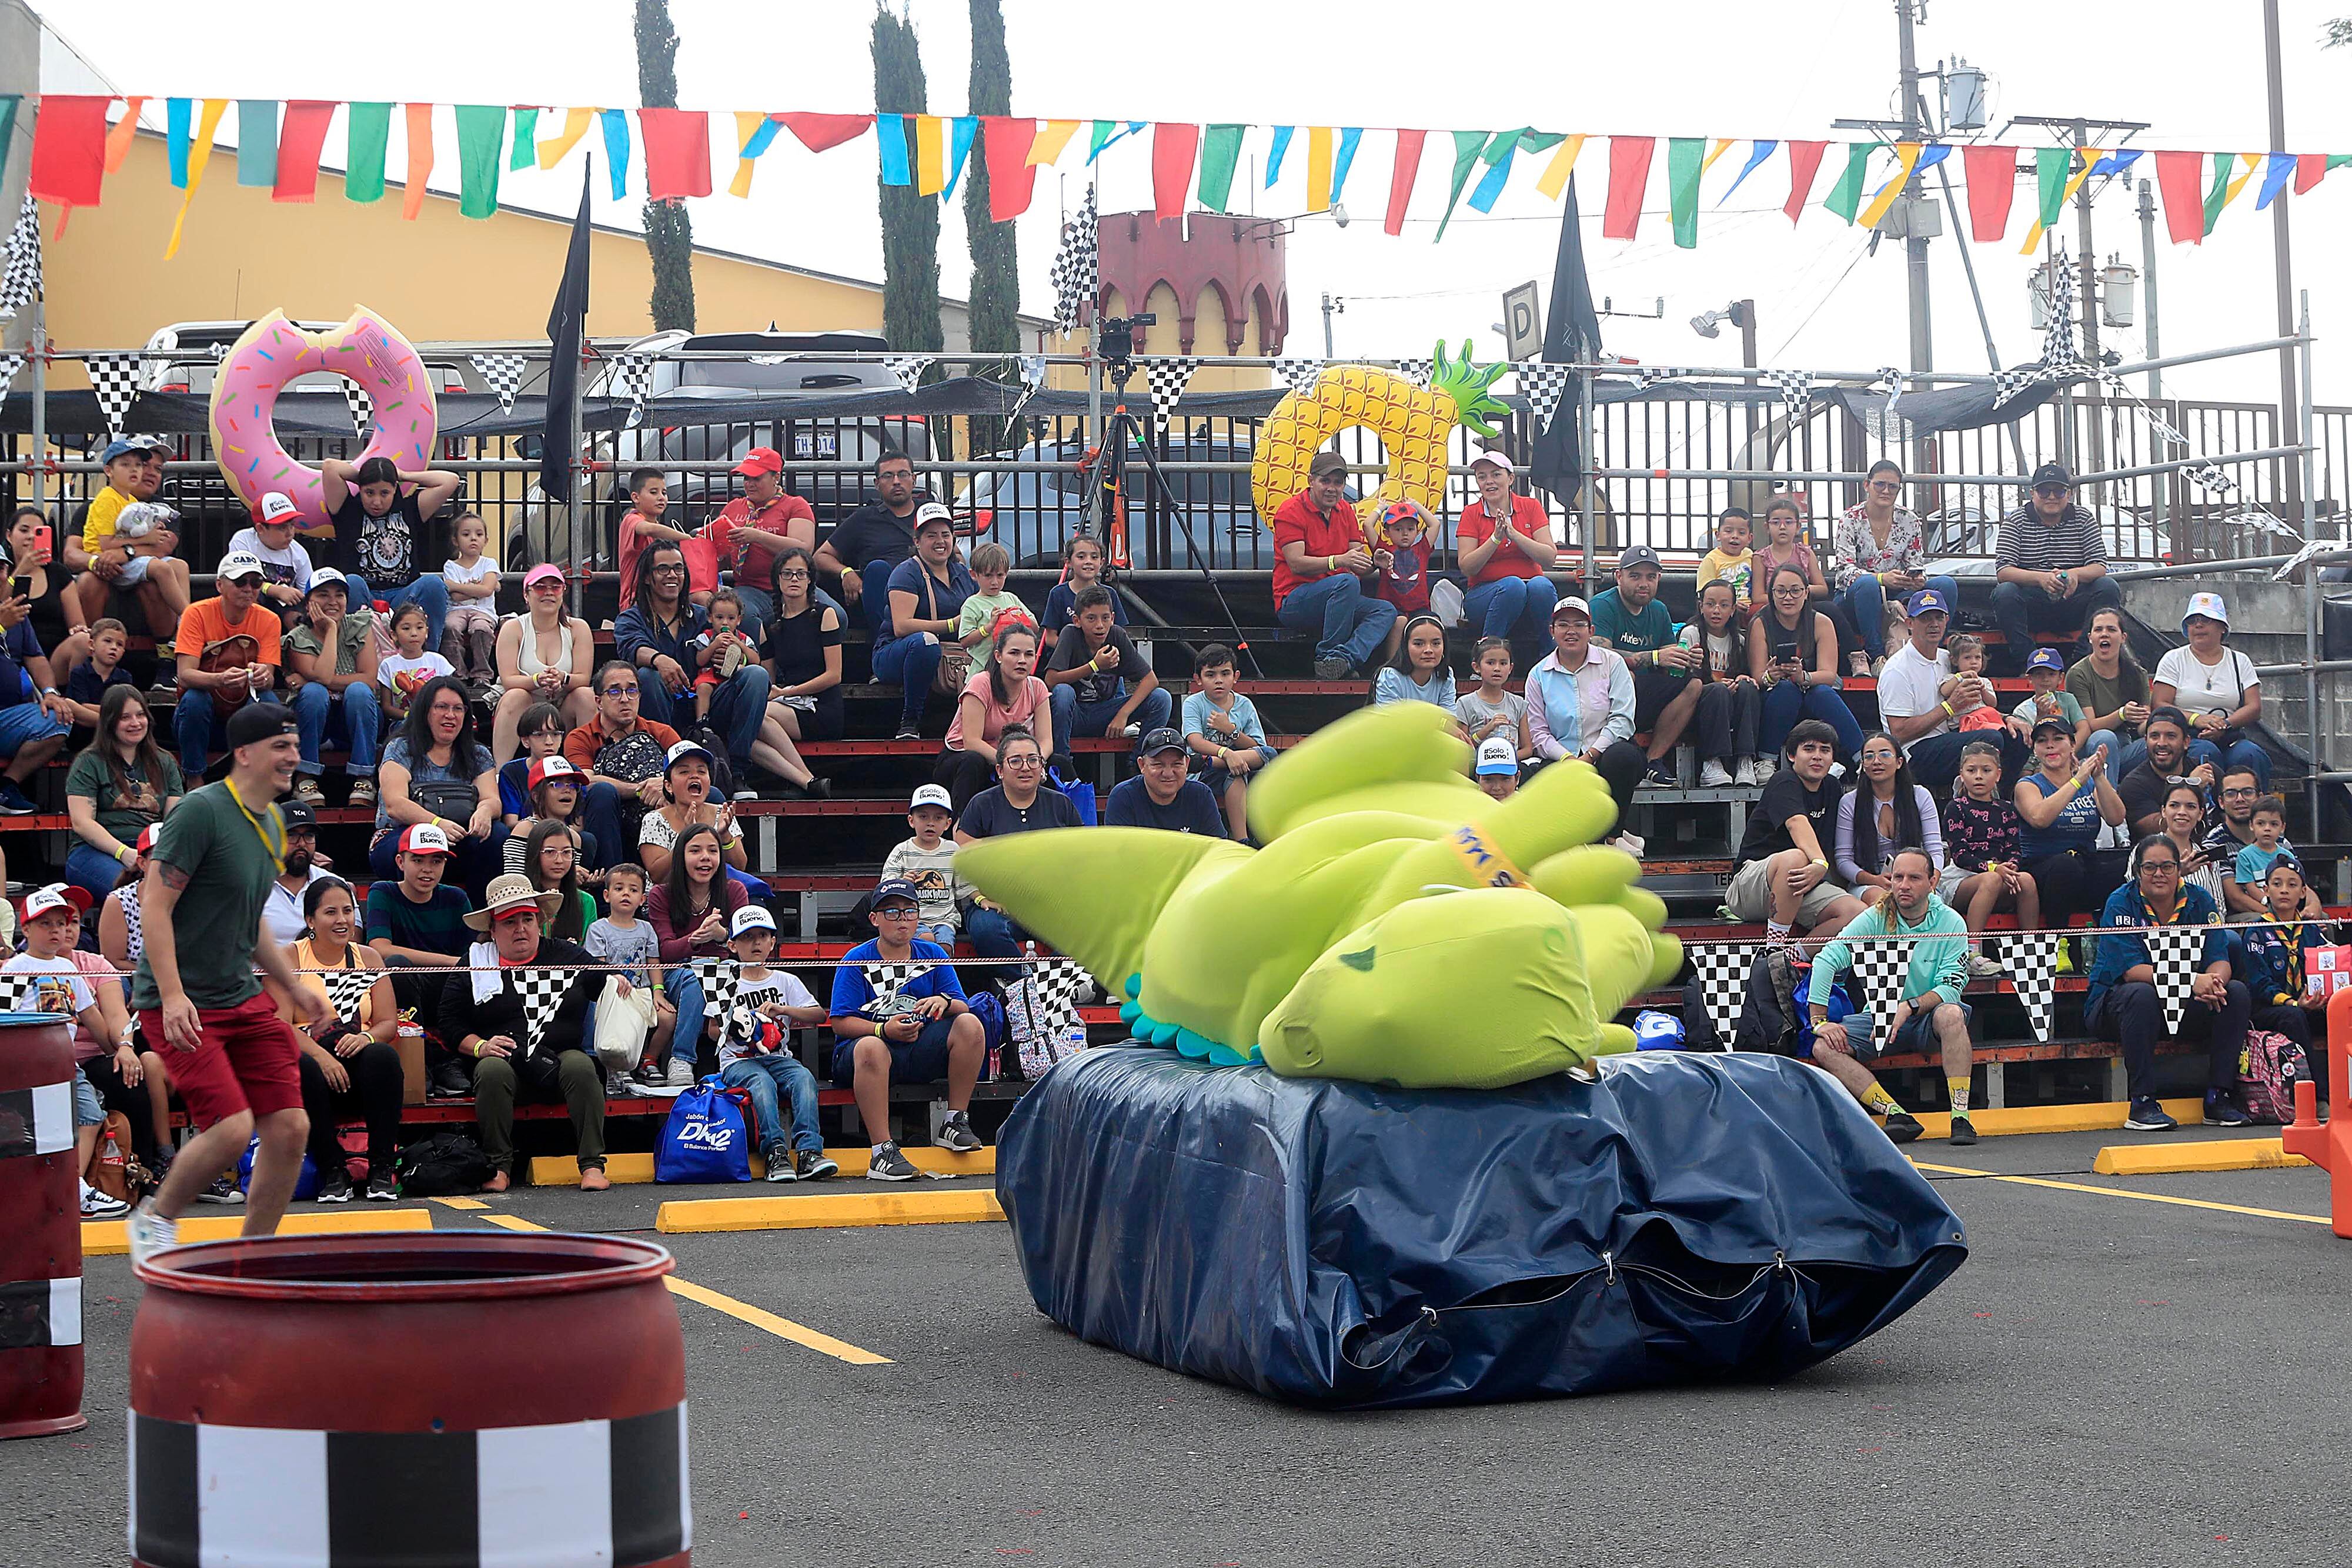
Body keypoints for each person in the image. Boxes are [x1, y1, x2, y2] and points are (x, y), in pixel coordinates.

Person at [121, 703, 332, 1265]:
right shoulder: (201, 811)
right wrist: (170, 993)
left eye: (294, 746)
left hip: (242, 996)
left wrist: (296, 985)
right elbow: (155, 904)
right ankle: (154, 1219)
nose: (293, 756)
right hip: (183, 1003)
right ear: (244, 753)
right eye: (281, 746)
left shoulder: (271, 823)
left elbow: (252, 920)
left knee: (290, 1127)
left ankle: (253, 1257)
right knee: (233, 1128)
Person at [442, 875, 607, 1191]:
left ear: (540, 922)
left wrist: (618, 982)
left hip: (559, 1059)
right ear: (492, 930)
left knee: (582, 1066)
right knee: (490, 1070)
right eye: (509, 922)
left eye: (527, 919)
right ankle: (499, 1167)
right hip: (505, 1062)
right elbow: (450, 1022)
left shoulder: (566, 955)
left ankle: (592, 1165)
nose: (520, 928)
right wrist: (481, 1047)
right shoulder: (474, 964)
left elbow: (606, 985)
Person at [1806, 848, 1976, 1145]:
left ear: (1933, 881)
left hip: (1927, 1018)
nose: (1904, 885)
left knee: (1952, 1013)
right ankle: (1895, 1114)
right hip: (1879, 1019)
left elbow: (1952, 986)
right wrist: (1820, 1021)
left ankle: (1961, 1118)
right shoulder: (1876, 916)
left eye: (1914, 878)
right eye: (1898, 877)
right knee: (1823, 1047)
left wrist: (1909, 1007)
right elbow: (1826, 959)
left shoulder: (1951, 922)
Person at [827, 877, 988, 1182]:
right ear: (874, 919)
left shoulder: (933, 954)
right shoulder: (856, 959)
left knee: (970, 1024)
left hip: (918, 1046)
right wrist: (883, 1030)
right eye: (891, 913)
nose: (902, 920)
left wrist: (943, 1001)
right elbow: (840, 1022)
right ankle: (882, 1151)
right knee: (872, 1046)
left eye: (909, 911)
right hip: (866, 1053)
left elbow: (963, 1006)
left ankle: (955, 1120)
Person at [2088, 835, 2253, 1132]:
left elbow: (2220, 956)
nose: (2159, 874)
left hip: (2182, 1005)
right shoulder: (2120, 902)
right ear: (2137, 871)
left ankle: (2219, 1097)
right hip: (2120, 1006)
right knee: (2141, 994)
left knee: (2235, 993)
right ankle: (2143, 1103)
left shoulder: (2200, 900)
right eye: (2150, 867)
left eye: (2167, 866)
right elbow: (2132, 971)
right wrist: (2191, 982)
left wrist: (2214, 983)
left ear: (2180, 869)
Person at [8, 883, 134, 1216]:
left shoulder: (70, 970)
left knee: (89, 1115)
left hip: (65, 1061)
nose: (56, 931)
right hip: (29, 1062)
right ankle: (50, 1189)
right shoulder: (15, 970)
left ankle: (72, 1186)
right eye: (45, 924)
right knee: (37, 1128)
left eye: (62, 924)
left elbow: (91, 1015)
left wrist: (119, 1048)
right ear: (26, 929)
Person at [281, 877, 403, 1203]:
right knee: (303, 1065)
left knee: (384, 1058)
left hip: (355, 1057)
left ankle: (381, 1168)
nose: (342, 920)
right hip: (311, 1059)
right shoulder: (290, 959)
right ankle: (333, 1170)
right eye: (331, 912)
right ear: (310, 921)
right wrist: (323, 1058)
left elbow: (388, 1022)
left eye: (348, 911)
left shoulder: (370, 959)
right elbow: (278, 1026)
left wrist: (366, 1037)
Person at [614, 541, 779, 777]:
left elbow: (740, 645)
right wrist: (660, 659)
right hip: (662, 707)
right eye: (663, 569)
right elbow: (631, 647)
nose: (672, 575)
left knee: (756, 675)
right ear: (648, 578)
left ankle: (736, 771)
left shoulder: (705, 617)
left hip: (710, 704)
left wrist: (732, 659)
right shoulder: (632, 617)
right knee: (647, 677)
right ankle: (663, 769)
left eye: (678, 568)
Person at [703, 904, 835, 1178]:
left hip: (778, 1057)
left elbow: (818, 1014)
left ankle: (809, 1151)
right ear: (732, 945)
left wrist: (784, 1009)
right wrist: (735, 1027)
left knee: (804, 1079)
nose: (756, 943)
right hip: (737, 1061)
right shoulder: (725, 983)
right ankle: (775, 1152)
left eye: (763, 936)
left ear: (772, 942)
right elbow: (712, 1031)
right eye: (748, 937)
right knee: (761, 1083)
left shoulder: (786, 980)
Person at [1725, 719, 1866, 947]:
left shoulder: (1831, 787)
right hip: (1751, 885)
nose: (1817, 756)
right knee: (1796, 857)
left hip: (1801, 884)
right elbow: (1796, 824)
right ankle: (1774, 947)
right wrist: (1819, 862)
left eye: (1825, 750)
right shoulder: (1783, 780)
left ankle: (1790, 960)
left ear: (1833, 759)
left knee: (1856, 913)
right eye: (1809, 749)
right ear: (1792, 755)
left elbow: (1830, 846)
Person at [954, 727, 1083, 974]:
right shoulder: (982, 804)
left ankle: (1052, 982)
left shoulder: (1060, 804)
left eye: (1033, 760)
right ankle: (1022, 984)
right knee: (986, 929)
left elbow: (1080, 856)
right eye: (1015, 761)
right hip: (995, 905)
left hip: (1049, 905)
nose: (1026, 767)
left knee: (1086, 925)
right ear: (1000, 770)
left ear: (1042, 767)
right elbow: (964, 851)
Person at [1525, 597, 1645, 851]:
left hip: (1605, 751)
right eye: (1563, 625)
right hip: (1562, 757)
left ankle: (1613, 837)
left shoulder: (1613, 663)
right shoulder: (1538, 674)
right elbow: (1538, 732)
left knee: (1623, 757)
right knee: (1533, 776)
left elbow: (1622, 719)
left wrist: (1590, 756)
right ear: (1552, 631)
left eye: (1579, 625)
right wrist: (1569, 759)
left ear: (1591, 631)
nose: (1571, 631)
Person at [364, 821, 474, 1096]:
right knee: (396, 966)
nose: (428, 869)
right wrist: (450, 962)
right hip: (402, 988)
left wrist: (455, 965)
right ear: (401, 862)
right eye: (418, 860)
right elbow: (380, 948)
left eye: (436, 861)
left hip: (446, 989)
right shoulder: (384, 891)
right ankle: (426, 1059)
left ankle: (447, 1062)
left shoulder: (456, 898)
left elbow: (471, 958)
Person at [369, 676, 503, 896]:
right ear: (425, 712)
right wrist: (436, 824)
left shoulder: (478, 754)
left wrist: (485, 812)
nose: (450, 715)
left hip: (458, 838)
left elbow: (492, 799)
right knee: (419, 844)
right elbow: (395, 804)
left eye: (458, 709)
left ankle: (480, 919)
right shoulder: (400, 748)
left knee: (496, 834)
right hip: (401, 836)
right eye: (441, 707)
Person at [317, 454, 463, 652]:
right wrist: (368, 475)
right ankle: (354, 656)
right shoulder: (347, 508)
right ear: (360, 489)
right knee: (351, 582)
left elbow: (451, 480)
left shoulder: (411, 508)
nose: (376, 501)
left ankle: (428, 657)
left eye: (385, 492)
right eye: (369, 492)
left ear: (395, 488)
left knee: (434, 584)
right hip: (364, 593)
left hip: (403, 594)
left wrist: (402, 475)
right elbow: (330, 467)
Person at [1271, 450, 1395, 680]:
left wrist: (1375, 563)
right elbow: (1296, 563)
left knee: (1386, 611)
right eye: (1325, 481)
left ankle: (1343, 659)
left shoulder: (1345, 510)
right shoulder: (1290, 510)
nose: (1332, 488)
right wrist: (1338, 561)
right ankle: (1327, 656)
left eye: (1338, 483)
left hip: (1338, 597)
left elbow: (1356, 562)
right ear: (1311, 481)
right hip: (1294, 600)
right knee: (1346, 582)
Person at [1991, 462, 2123, 674]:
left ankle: (2083, 661)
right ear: (2032, 493)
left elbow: (2099, 566)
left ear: (2069, 494)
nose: (2052, 497)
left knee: (2108, 587)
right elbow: (2004, 571)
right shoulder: (2015, 520)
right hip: (2032, 604)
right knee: (2005, 593)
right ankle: (2029, 663)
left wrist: (2074, 574)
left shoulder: (2084, 518)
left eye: (2059, 491)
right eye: (2044, 491)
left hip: (2075, 602)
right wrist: (2041, 578)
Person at [173, 554, 292, 785]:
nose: (249, 589)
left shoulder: (269, 620)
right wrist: (220, 679)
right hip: (202, 712)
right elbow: (185, 675)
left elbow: (268, 679)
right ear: (220, 585)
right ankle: (194, 777)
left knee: (268, 701)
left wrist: (261, 676)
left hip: (242, 711)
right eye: (240, 582)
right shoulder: (196, 613)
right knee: (194, 700)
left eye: (256, 583)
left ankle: (260, 778)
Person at [1877, 587, 2005, 799]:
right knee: (1990, 738)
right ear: (1910, 623)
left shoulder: (1949, 658)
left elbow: (1977, 704)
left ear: (1947, 621)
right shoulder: (1897, 669)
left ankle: (2005, 803)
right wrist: (1949, 707)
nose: (1934, 624)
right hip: (1915, 752)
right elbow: (1899, 732)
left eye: (1939, 617)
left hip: (1952, 736)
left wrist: (2007, 719)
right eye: (1926, 618)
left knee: (2014, 735)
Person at [1589, 544, 1700, 785]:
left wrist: (1686, 659)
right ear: (1619, 577)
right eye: (1635, 576)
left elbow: (1666, 662)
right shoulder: (1603, 605)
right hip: (1603, 697)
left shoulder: (1659, 610)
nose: (1644, 583)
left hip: (1644, 695)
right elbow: (1599, 654)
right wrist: (1655, 657)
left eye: (1651, 577)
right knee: (1626, 674)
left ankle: (1652, 761)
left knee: (1694, 685)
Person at [66, 437, 192, 650]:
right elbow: (73, 553)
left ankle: (180, 637)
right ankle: (91, 648)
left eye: (158, 468)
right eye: (131, 465)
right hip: (110, 571)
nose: (148, 472)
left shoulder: (161, 510)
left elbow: (162, 547)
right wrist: (98, 561)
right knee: (90, 580)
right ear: (109, 470)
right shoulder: (100, 503)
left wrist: (122, 554)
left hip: (133, 568)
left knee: (176, 566)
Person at [1830, 459, 1957, 667]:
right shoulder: (1850, 519)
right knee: (1869, 584)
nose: (1885, 491)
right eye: (1879, 484)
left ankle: (1934, 649)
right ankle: (1877, 656)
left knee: (1946, 585)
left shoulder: (1909, 519)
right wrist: (1881, 578)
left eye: (1892, 486)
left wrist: (1915, 578)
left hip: (1898, 594)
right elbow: (1845, 570)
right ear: (1867, 485)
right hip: (1856, 597)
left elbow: (1915, 562)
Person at [64, 683, 183, 901]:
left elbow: (174, 821)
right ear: (110, 723)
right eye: (125, 717)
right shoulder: (89, 762)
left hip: (152, 851)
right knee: (135, 892)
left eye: (140, 715)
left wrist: (155, 856)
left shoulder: (165, 762)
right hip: (95, 852)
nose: (135, 723)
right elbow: (82, 823)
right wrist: (124, 853)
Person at [646, 821, 744, 1082]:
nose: (705, 858)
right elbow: (665, 951)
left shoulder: (734, 890)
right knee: (696, 978)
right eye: (695, 851)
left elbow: (746, 948)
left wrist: (722, 936)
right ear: (681, 856)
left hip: (726, 970)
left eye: (713, 851)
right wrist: (695, 939)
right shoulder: (660, 895)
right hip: (679, 972)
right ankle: (681, 1059)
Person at [869, 505, 976, 743]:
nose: (940, 541)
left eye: (945, 535)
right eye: (931, 535)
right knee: (926, 642)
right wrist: (952, 625)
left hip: (954, 655)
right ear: (917, 541)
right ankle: (910, 722)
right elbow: (902, 626)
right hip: (897, 653)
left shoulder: (963, 574)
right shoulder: (906, 572)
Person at [2237, 856, 2335, 1102]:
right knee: (2295, 1017)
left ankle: (2346, 1091)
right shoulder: (2256, 931)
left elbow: (2325, 969)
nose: (2284, 890)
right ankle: (2317, 1097)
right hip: (2270, 1009)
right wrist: (2294, 1003)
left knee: (2341, 1015)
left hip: (2308, 1005)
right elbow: (2260, 984)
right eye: (2277, 884)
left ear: (2303, 892)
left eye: (2292, 885)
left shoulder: (2313, 930)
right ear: (2266, 890)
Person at [2013, 718, 2126, 930]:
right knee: (2066, 865)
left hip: (2086, 865)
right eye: (2042, 741)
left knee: (2131, 864)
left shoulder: (2089, 782)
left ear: (2073, 745)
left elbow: (2116, 818)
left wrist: (2099, 777)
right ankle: (2059, 940)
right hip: (2044, 870)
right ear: (2036, 749)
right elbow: (2039, 818)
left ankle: (2120, 938)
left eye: (2058, 739)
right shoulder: (2028, 785)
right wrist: (2076, 781)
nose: (2050, 746)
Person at [283, 569, 382, 809]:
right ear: (309, 603)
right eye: (323, 595)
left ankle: (364, 778)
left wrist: (312, 679)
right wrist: (330, 631)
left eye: (340, 595)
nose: (333, 602)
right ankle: (306, 778)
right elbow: (323, 676)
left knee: (358, 692)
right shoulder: (299, 636)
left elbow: (369, 680)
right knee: (314, 694)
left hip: (354, 720)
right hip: (317, 722)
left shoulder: (359, 625)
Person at [1045, 584, 1171, 770]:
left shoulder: (1117, 635)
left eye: (1105, 618)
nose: (1099, 625)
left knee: (1162, 698)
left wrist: (1123, 714)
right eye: (1091, 619)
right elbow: (1051, 680)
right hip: (1075, 714)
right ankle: (1062, 766)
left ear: (1113, 618)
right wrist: (1094, 666)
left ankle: (1138, 763)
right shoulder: (1070, 634)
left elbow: (1151, 680)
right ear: (1077, 620)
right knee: (1063, 692)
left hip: (1106, 713)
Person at [1941, 741, 2039, 975]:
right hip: (1963, 878)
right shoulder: (1956, 807)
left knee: (2026, 879)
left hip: (2000, 874)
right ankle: (1972, 952)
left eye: (1986, 771)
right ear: (1962, 774)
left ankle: (2029, 948)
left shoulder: (2006, 809)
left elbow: (2014, 848)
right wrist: (1995, 869)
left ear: (1998, 775)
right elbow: (1960, 854)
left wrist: (2011, 867)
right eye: (1971, 770)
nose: (1978, 777)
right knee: (1991, 880)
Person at [1750, 563, 1864, 765]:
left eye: (1795, 591)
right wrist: (1771, 675)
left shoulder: (1822, 622)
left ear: (1806, 593)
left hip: (1813, 694)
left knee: (1823, 692)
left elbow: (1829, 675)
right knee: (1786, 689)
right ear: (1772, 594)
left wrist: (1803, 677)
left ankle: (1863, 759)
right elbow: (1757, 676)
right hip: (1776, 697)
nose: (1788, 597)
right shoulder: (1761, 623)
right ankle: (1766, 760)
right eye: (1781, 591)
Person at [2152, 591, 2269, 788]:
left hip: (2229, 735)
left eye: (2206, 619)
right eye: (2193, 621)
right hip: (2188, 737)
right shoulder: (2173, 659)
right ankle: (2210, 812)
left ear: (2222, 627)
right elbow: (2159, 704)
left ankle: (2256, 812)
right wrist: (2196, 719)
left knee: (2252, 755)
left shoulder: (2240, 661)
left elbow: (2254, 707)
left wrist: (2225, 725)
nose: (2198, 625)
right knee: (2206, 753)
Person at [938, 617, 1051, 813]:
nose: (1022, 661)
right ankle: (962, 829)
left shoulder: (1037, 687)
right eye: (1014, 653)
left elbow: (1046, 741)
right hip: (963, 757)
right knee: (973, 762)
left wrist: (1034, 763)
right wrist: (1010, 763)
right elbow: (971, 741)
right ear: (999, 656)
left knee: (1059, 763)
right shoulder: (980, 683)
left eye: (1029, 654)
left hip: (1015, 758)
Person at [1452, 446, 1559, 647]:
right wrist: (1495, 539)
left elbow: (1549, 558)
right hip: (1484, 595)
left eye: (1496, 475)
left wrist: (1514, 535)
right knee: (1513, 585)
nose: (1489, 481)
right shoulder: (1470, 513)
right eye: (1482, 477)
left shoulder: (1531, 506)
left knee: (1542, 586)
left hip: (1531, 591)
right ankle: (1488, 652)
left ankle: (1551, 657)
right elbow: (1467, 567)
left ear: (1510, 479)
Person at [502, 703, 627, 873]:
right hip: (534, 846)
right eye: (540, 735)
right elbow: (515, 877)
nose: (549, 741)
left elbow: (578, 822)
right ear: (525, 740)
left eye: (556, 734)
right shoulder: (511, 772)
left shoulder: (573, 769)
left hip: (567, 838)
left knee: (588, 837)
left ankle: (610, 880)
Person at [636, 737, 763, 907]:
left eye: (702, 771)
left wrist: (724, 836)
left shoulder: (722, 813)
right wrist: (686, 838)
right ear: (668, 786)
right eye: (684, 772)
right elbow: (658, 876)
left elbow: (740, 866)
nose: (694, 775)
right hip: (672, 901)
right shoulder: (654, 819)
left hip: (715, 897)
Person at [490, 563, 595, 762]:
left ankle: (585, 767)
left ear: (563, 593)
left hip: (562, 707)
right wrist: (538, 680)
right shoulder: (513, 628)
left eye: (555, 587)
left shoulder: (578, 628)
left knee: (585, 695)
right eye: (540, 587)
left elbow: (584, 678)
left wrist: (563, 679)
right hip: (525, 709)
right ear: (526, 595)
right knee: (515, 696)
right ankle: (500, 773)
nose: (548, 592)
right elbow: (508, 679)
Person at [700, 447, 816, 625]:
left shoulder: (795, 505)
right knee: (742, 615)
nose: (749, 484)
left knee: (836, 614)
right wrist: (717, 551)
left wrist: (757, 537)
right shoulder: (734, 507)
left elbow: (803, 549)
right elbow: (713, 554)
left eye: (756, 478)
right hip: (749, 587)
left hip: (793, 585)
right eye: (746, 478)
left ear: (776, 477)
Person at [1755, 496, 1868, 678]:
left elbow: (1822, 588)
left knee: (1829, 608)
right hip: (1775, 608)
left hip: (1803, 605)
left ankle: (1856, 655)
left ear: (1798, 526)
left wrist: (1799, 592)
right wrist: (1780, 595)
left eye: (1789, 522)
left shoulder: (1806, 553)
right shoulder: (1761, 557)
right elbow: (1758, 596)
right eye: (1776, 522)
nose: (1782, 527)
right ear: (1767, 526)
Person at [565, 661, 683, 833]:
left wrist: (664, 785)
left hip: (661, 810)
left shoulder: (662, 732)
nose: (625, 699)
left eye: (632, 690)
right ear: (599, 702)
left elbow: (689, 772)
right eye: (614, 692)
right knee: (601, 792)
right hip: (611, 816)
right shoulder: (580, 737)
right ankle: (609, 861)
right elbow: (586, 781)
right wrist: (640, 789)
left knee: (712, 794)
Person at [584, 861, 669, 1095]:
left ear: (642, 899)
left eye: (633, 890)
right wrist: (614, 980)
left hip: (642, 993)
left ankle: (647, 1061)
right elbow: (598, 968)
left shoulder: (646, 929)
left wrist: (658, 992)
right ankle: (616, 1069)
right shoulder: (598, 929)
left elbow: (653, 963)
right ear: (606, 895)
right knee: (617, 1024)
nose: (626, 894)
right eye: (619, 888)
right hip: (615, 994)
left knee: (668, 1018)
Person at [1833, 731, 1945, 906]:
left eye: (1885, 754)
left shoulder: (1920, 796)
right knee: (1882, 901)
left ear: (1899, 762)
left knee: (1933, 903)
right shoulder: (1850, 802)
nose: (1876, 761)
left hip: (1915, 878)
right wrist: (1874, 879)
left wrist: (1931, 879)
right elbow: (1843, 859)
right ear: (1863, 764)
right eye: (1869, 757)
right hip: (1870, 881)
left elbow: (1935, 849)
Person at [816, 449, 926, 621]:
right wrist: (846, 572)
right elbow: (821, 557)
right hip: (885, 597)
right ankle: (885, 643)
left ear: (914, 479)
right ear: (877, 484)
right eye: (888, 476)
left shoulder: (929, 512)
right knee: (877, 569)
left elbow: (957, 556)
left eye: (903, 474)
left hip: (927, 588)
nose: (896, 482)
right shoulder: (865, 517)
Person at [2203, 765, 2322, 918]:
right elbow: (2236, 898)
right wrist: (2277, 917)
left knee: (2322, 920)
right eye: (2231, 794)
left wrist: (2314, 906)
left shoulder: (2280, 842)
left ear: (2260, 797)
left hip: (2282, 911)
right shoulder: (2214, 843)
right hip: (2244, 916)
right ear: (2221, 802)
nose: (2240, 799)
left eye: (2247, 792)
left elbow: (2299, 883)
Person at [766, 544, 846, 748]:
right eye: (787, 573)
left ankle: (806, 779)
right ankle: (807, 780)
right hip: (787, 704)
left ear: (810, 579)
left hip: (821, 707)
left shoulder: (825, 615)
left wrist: (787, 693)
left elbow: (834, 675)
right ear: (778, 579)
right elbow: (769, 679)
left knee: (759, 716)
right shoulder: (769, 624)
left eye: (801, 574)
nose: (794, 579)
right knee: (751, 726)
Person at [1184, 642, 1268, 840]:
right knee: (1238, 770)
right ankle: (1242, 840)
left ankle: (1247, 840)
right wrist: (1226, 754)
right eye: (1211, 675)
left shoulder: (1245, 705)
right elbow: (1195, 742)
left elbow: (1259, 748)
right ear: (1198, 679)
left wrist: (1230, 730)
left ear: (1236, 677)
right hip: (1205, 770)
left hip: (1238, 768)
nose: (1219, 680)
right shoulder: (1193, 703)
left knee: (1265, 757)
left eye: (1225, 674)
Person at [8, 504, 94, 686]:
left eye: (38, 531)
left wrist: (78, 630)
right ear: (9, 536)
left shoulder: (57, 573)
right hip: (12, 656)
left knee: (83, 640)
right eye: (24, 530)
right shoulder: (4, 571)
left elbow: (77, 623)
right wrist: (21, 570)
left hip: (55, 657)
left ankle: (74, 702)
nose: (31, 537)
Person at [1686, 579, 1761, 787]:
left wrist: (1742, 678)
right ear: (1701, 607)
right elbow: (1683, 680)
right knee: (1718, 691)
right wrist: (1713, 684)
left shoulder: (1740, 640)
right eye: (1710, 604)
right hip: (1701, 705)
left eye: (1724, 605)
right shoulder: (1691, 634)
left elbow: (1747, 674)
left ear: (1733, 609)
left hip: (1732, 705)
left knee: (1748, 687)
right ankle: (1712, 762)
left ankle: (1745, 760)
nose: (1716, 611)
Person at [884, 783, 970, 947]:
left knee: (945, 945)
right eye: (923, 817)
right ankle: (923, 974)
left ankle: (941, 974)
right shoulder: (902, 851)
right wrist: (902, 883)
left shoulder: (953, 850)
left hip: (945, 920)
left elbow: (965, 887)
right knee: (926, 940)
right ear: (911, 820)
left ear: (948, 824)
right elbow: (885, 887)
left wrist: (981, 899)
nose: (931, 823)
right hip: (911, 919)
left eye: (938, 818)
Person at [2069, 607, 2151, 775]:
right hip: (2091, 743)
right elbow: (2089, 726)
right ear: (2090, 638)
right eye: (2098, 630)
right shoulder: (2078, 674)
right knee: (2105, 739)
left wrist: (2152, 725)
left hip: (2125, 745)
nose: (2104, 634)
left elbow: (2143, 725)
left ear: (2123, 638)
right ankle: (2106, 798)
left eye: (2111, 629)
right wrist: (2122, 714)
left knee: (2161, 744)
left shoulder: (2137, 673)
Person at [1106, 728, 1227, 835]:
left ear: (1187, 764)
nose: (1168, 774)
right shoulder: (1123, 797)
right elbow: (1118, 854)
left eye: (1177, 764)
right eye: (1158, 765)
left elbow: (1218, 850)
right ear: (1142, 765)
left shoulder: (1201, 795)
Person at [502, 754, 604, 880]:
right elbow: (513, 881)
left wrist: (577, 880)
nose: (568, 790)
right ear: (536, 796)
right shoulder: (526, 829)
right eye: (558, 785)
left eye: (573, 785)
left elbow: (566, 889)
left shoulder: (574, 837)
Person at [2117, 707, 2215, 837]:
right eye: (2155, 736)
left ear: (2186, 742)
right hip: (2159, 854)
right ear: (2146, 741)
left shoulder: (2205, 770)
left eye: (2171, 736)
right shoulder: (2133, 784)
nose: (2162, 743)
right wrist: (2192, 785)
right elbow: (2158, 828)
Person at [228, 490, 315, 623]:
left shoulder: (299, 553)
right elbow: (239, 581)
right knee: (249, 595)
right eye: (282, 528)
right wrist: (273, 590)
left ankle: (300, 641)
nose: (290, 533)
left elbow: (307, 593)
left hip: (285, 606)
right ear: (261, 529)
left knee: (295, 608)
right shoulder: (243, 541)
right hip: (254, 599)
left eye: (292, 525)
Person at [260, 800, 337, 948]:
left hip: (321, 970)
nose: (301, 843)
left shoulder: (334, 885)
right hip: (264, 971)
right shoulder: (251, 885)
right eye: (292, 835)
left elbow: (352, 947)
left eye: (309, 836)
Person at [438, 510, 501, 687]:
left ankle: (482, 674)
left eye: (479, 534)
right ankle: (457, 673)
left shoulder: (489, 563)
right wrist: (478, 588)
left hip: (483, 611)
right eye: (466, 534)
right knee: (450, 627)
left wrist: (459, 586)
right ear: (455, 541)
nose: (473, 538)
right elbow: (455, 595)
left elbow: (488, 590)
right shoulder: (451, 565)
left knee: (481, 628)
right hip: (456, 610)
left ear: (486, 540)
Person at [690, 589, 764, 730]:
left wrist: (740, 645)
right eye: (719, 618)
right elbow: (700, 660)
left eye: (731, 618)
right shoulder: (706, 637)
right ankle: (702, 720)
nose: (725, 623)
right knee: (703, 687)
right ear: (710, 618)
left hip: (734, 676)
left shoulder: (744, 639)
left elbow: (756, 661)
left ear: (739, 620)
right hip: (710, 675)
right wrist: (714, 646)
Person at [1367, 500, 1436, 652]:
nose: (1405, 534)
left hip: (1420, 608)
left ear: (1417, 531)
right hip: (1393, 607)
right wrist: (1380, 508)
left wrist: (1416, 505)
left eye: (1410, 529)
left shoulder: (1422, 549)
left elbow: (1435, 524)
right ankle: (1392, 666)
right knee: (1400, 622)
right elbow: (1367, 525)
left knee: (1432, 624)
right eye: (1398, 529)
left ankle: (1434, 669)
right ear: (1387, 533)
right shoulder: (1384, 550)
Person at [2007, 646, 2097, 758]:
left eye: (2051, 674)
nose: (2045, 679)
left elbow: (2084, 728)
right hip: (2040, 758)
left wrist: (2070, 753)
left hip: (2071, 752)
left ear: (2061, 678)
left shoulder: (2068, 699)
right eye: (2039, 674)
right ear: (2030, 678)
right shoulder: (2022, 711)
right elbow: (2030, 743)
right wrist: (2041, 717)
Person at [376, 601, 456, 727]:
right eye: (406, 628)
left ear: (427, 632)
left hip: (436, 721)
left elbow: (450, 697)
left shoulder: (439, 661)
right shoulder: (388, 665)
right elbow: (387, 707)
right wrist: (409, 716)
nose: (414, 633)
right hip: (403, 723)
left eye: (419, 628)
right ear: (394, 635)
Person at [1040, 532, 1120, 654]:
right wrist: (1076, 653)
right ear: (1068, 562)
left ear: (1102, 562)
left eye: (1094, 557)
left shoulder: (1110, 594)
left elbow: (1119, 633)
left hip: (1102, 659)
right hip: (1068, 662)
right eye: (1081, 557)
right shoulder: (1058, 594)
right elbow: (1050, 638)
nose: (1088, 562)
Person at [1454, 637, 1531, 764]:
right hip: (1480, 766)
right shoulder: (1465, 703)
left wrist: (1505, 760)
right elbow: (1464, 748)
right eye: (1490, 663)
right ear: (1477, 667)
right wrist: (1487, 729)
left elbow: (1528, 749)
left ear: (1510, 668)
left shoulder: (1518, 704)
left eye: (1503, 663)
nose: (1497, 668)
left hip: (1511, 765)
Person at [955, 541, 1028, 668]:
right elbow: (965, 641)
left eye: (1000, 575)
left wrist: (1019, 617)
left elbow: (1035, 628)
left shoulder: (1011, 598)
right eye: (988, 576)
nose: (995, 582)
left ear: (1007, 573)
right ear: (974, 575)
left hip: (1011, 668)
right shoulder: (972, 604)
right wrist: (989, 627)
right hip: (982, 669)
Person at [62, 616, 137, 735]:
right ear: (92, 645)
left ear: (123, 651)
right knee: (70, 704)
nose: (114, 647)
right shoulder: (80, 673)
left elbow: (123, 710)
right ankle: (111, 726)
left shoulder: (124, 677)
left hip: (112, 738)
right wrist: (113, 716)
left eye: (120, 645)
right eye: (108, 641)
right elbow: (80, 707)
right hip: (81, 735)